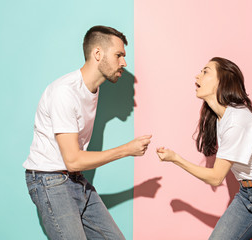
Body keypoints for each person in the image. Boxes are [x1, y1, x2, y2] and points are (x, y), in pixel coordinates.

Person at [23, 25, 152, 240]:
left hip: (75, 180)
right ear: (98, 54)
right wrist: (127, 149)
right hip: (50, 181)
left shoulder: (92, 89)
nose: (124, 63)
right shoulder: (65, 93)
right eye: (119, 55)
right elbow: (73, 160)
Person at [156, 57, 252, 239]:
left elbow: (216, 178)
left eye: (205, 71)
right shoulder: (222, 117)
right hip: (247, 195)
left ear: (222, 81)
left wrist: (175, 158)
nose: (197, 76)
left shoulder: (236, 119)